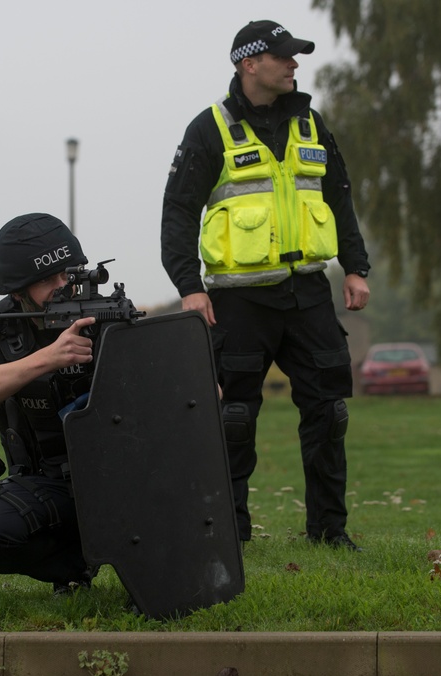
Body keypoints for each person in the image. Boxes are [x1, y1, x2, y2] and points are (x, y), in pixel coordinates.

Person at [161, 20, 371, 551]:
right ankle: (231, 532)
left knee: (329, 413)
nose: (294, 64)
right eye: (284, 56)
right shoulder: (208, 129)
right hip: (238, 301)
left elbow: (339, 196)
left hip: (307, 294)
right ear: (249, 63)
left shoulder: (311, 124)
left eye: (296, 56)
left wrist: (355, 266)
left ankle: (329, 532)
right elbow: (178, 213)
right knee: (232, 419)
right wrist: (190, 286)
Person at [0, 212, 98, 593]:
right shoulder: (1, 328)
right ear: (18, 293)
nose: (62, 286)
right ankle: (74, 566)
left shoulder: (106, 315)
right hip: (49, 485)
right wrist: (50, 357)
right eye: (46, 281)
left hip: (120, 481)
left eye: (67, 274)